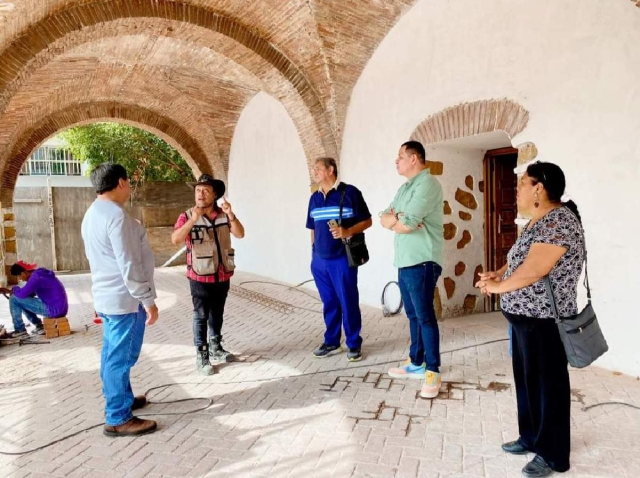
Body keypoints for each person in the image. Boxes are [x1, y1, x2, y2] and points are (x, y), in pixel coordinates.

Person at [475, 161, 583, 477]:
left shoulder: (559, 222)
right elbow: (519, 261)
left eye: (522, 183)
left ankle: (553, 455)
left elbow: (537, 269)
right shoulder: (539, 220)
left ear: (539, 188)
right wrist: (499, 273)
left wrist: (497, 287)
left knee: (549, 386)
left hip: (546, 320)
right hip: (525, 318)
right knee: (528, 382)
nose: (517, 189)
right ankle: (531, 437)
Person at [81, 163, 159, 437]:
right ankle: (117, 417)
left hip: (108, 295)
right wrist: (147, 300)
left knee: (112, 354)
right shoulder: (115, 216)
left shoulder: (92, 213)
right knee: (120, 358)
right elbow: (129, 264)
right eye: (129, 181)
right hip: (124, 299)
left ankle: (122, 399)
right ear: (121, 182)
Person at [381, 141, 444, 399]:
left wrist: (400, 221)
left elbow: (408, 224)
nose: (396, 161)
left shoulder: (428, 185)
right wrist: (398, 220)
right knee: (413, 316)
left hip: (423, 260)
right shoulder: (405, 188)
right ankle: (416, 363)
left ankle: (433, 371)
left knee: (425, 315)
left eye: (400, 157)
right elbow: (384, 216)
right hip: (405, 260)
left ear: (414, 158)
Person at [171, 174, 245, 375]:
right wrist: (193, 220)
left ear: (215, 194)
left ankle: (216, 346)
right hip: (200, 275)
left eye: (205, 190)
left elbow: (239, 233)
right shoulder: (186, 216)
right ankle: (202, 354)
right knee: (201, 314)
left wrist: (231, 214)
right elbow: (176, 239)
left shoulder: (223, 214)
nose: (200, 194)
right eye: (197, 190)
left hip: (222, 273)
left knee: (217, 312)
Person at [306, 157, 372, 362]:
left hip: (342, 259)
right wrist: (313, 253)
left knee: (348, 301)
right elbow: (312, 228)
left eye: (318, 168)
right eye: (314, 169)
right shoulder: (314, 198)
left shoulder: (350, 193)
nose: (314, 172)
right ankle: (332, 342)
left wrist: (348, 231)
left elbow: (367, 221)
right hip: (320, 260)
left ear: (330, 170)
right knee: (329, 302)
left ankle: (353, 343)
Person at [0, 260, 68, 338]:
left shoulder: (35, 278)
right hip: (61, 309)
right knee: (20, 299)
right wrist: (10, 291)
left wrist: (14, 289)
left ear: (23, 272)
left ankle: (20, 330)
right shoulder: (39, 274)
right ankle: (39, 326)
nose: (20, 279)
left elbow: (22, 294)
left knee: (14, 299)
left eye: (19, 276)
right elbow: (27, 294)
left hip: (54, 310)